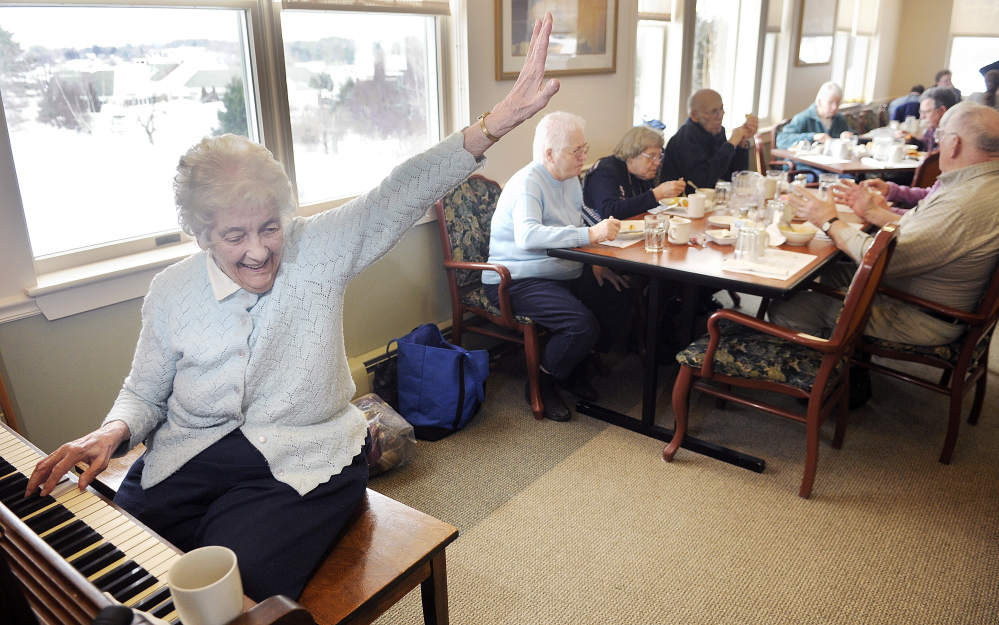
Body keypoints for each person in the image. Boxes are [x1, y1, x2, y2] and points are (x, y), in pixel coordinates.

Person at [24, 12, 563, 603]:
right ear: (201, 233)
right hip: (198, 450)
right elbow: (146, 391)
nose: (258, 251)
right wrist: (111, 430)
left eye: (269, 227)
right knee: (120, 545)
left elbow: (395, 192)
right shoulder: (171, 291)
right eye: (234, 236)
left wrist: (494, 125)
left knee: (235, 583)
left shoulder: (315, 249)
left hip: (309, 451)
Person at [771, 102, 999, 352]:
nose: (937, 143)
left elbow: (882, 259)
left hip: (921, 312)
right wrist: (873, 213)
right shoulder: (981, 184)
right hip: (920, 288)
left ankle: (832, 378)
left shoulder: (963, 203)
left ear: (954, 144)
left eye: (940, 136)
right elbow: (927, 230)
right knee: (813, 274)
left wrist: (828, 221)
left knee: (788, 307)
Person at [483, 111, 632, 422]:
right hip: (516, 278)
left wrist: (594, 262)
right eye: (575, 151)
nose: (583, 157)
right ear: (549, 154)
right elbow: (528, 237)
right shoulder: (529, 182)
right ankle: (543, 382)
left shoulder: (570, 180)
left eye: (584, 149)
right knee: (580, 325)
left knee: (618, 295)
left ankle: (575, 366)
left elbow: (572, 226)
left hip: (560, 269)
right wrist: (590, 235)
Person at [582, 125, 685, 222]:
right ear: (631, 155)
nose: (657, 162)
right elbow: (609, 213)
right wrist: (656, 194)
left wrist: (667, 194)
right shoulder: (604, 172)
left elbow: (644, 206)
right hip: (599, 237)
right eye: (652, 156)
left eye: (659, 156)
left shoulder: (642, 173)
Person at [660, 89, 758, 190]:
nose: (720, 116)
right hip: (678, 201)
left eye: (721, 109)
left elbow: (732, 176)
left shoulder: (717, 132)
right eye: (714, 111)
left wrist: (741, 144)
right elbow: (701, 182)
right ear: (695, 116)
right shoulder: (686, 138)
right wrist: (730, 144)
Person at [775, 82, 852, 149]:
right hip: (804, 164)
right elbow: (782, 140)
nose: (835, 107)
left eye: (838, 102)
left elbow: (855, 138)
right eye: (830, 102)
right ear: (819, 102)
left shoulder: (839, 118)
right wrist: (813, 137)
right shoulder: (804, 118)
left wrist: (849, 135)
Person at [907, 86, 959, 152]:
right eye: (921, 112)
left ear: (941, 110)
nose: (922, 117)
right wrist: (910, 139)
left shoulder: (952, 135)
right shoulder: (932, 128)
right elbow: (924, 146)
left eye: (926, 112)